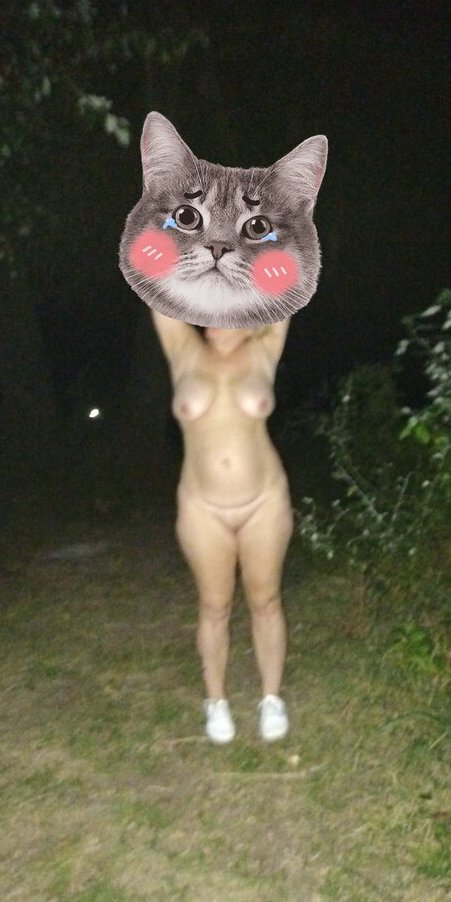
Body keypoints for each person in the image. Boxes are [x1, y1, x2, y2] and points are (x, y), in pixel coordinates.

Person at [151, 310, 293, 744]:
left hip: (264, 501)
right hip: (202, 507)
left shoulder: (265, 347)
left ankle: (271, 698)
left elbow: (290, 280)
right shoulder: (184, 349)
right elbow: (152, 284)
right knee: (214, 606)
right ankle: (216, 700)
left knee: (266, 600)